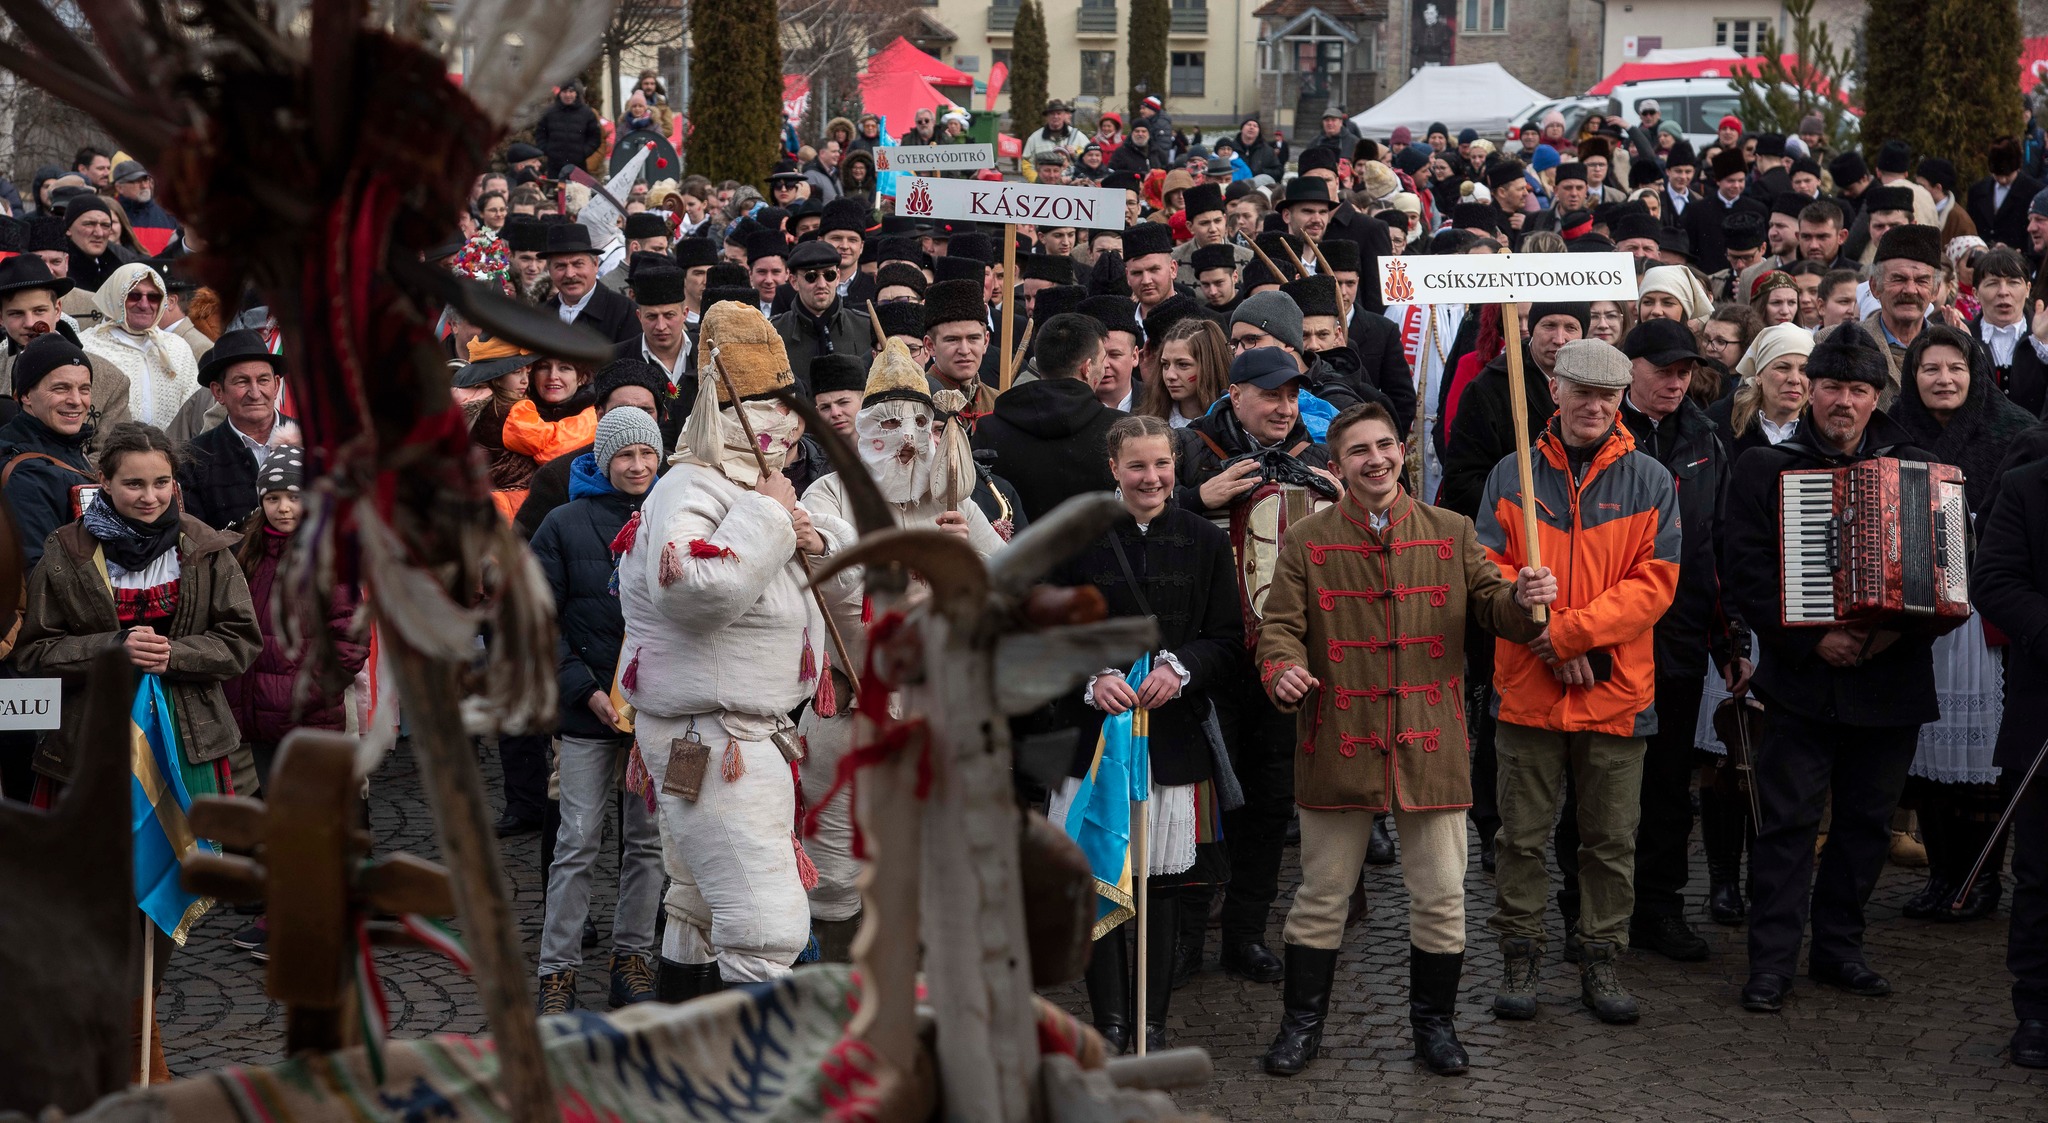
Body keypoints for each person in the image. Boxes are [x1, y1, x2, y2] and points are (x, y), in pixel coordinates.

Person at [1258, 401, 1553, 1077]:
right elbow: (1279, 627)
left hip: (1430, 741)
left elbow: (1494, 610)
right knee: (1323, 894)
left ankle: (1435, 1028)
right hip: (1339, 737)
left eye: (1385, 444)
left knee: (1444, 894)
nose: (1376, 458)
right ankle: (1301, 1026)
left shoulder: (1451, 531)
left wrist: (1525, 595)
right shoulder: (1306, 539)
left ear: (1404, 451)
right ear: (1337, 467)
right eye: (1359, 450)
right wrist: (1282, 669)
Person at [618, 303, 858, 994]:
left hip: (745, 732)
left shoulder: (755, 486)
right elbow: (694, 589)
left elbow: (852, 579)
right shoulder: (689, 486)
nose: (780, 422)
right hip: (713, 735)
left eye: (786, 405)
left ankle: (680, 1066)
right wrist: (769, 516)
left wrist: (812, 536)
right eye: (761, 406)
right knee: (763, 922)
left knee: (697, 907)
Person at [1722, 324, 1960, 1013]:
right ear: (1808, 391)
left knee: (1864, 825)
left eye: (1858, 389)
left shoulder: (1917, 462)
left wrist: (1885, 637)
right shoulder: (1767, 468)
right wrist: (1810, 639)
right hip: (1801, 681)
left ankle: (1838, 949)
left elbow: (1946, 579)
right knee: (1788, 824)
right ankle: (1770, 962)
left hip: (1891, 680)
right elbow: (1744, 569)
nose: (1843, 401)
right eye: (1831, 386)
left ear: (1876, 396)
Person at [1478, 338, 1679, 1026]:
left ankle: (1600, 955)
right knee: (1521, 837)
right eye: (1581, 391)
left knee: (1611, 840)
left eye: (1608, 394)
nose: (1594, 405)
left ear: (1622, 398)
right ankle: (1521, 952)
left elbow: (1653, 587)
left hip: (1615, 690)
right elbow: (1486, 573)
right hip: (1527, 689)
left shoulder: (1650, 479)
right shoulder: (1512, 474)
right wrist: (1542, 633)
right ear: (1555, 391)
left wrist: (1566, 634)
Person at [798, 341, 1003, 962]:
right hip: (849, 709)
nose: (906, 439)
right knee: (835, 869)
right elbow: (828, 580)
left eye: (919, 423)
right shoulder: (828, 497)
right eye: (887, 423)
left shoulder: (954, 498)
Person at [1171, 346, 1340, 988]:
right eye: (1271, 394)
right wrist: (1194, 497)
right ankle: (1186, 938)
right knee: (1200, 802)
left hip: (1283, 660)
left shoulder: (1318, 455)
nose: (1285, 407)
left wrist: (1341, 501)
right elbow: (1135, 524)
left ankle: (1245, 935)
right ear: (1236, 393)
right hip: (1205, 659)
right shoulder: (1189, 447)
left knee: (1269, 804)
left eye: (1292, 395)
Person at [1600, 319, 1739, 961]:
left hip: (1679, 637)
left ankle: (1659, 906)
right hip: (1607, 635)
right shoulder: (1599, 433)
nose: (1677, 381)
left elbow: (1718, 547)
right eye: (1664, 369)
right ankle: (1592, 911)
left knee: (1666, 786)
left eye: (1686, 371)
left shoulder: (1705, 437)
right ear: (1631, 368)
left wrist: (1727, 639)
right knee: (1600, 783)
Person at [1889, 325, 2035, 923]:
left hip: (1982, 616)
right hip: (1916, 611)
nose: (1943, 379)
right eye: (1930, 369)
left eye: (1955, 368)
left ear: (1975, 373)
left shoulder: (2016, 430)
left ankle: (1980, 880)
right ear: (1912, 376)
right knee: (1926, 749)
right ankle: (1942, 872)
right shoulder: (1893, 430)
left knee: (1980, 759)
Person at [531, 408, 668, 1014]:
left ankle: (632, 957)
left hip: (657, 710)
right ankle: (557, 968)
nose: (637, 467)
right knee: (578, 839)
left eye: (646, 454)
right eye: (624, 456)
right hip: (587, 710)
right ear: (603, 459)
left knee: (647, 842)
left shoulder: (676, 513)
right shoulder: (564, 523)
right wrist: (582, 689)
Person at [219, 447, 367, 961]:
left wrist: (316, 687)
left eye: (295, 497)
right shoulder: (250, 551)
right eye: (274, 497)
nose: (284, 508)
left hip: (306, 711)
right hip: (258, 710)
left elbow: (349, 636)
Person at [1972, 442, 2048, 1069]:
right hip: (2045, 707)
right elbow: (1994, 580)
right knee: (2044, 873)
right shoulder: (2026, 486)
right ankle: (2038, 1012)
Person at [971, 312, 1122, 522]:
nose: (1105, 368)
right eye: (1103, 360)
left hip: (1016, 552)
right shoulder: (1120, 430)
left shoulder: (989, 428)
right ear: (1087, 368)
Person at [513, 359, 669, 538]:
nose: (633, 418)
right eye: (622, 409)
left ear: (660, 416)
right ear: (600, 415)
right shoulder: (559, 477)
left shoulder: (675, 472)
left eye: (645, 411)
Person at [0, 255, 129, 440]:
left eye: (39, 311)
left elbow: (113, 455)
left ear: (58, 309)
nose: (30, 322)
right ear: (1, 318)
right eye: (16, 314)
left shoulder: (111, 379)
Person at [177, 330, 293, 532]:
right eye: (242, 381)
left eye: (263, 380)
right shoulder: (194, 459)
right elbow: (198, 540)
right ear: (218, 392)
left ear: (276, 385)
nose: (255, 393)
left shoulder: (313, 441)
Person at [78, 261, 199, 430]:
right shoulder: (86, 346)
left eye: (153, 297)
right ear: (115, 296)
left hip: (171, 453)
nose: (144, 304)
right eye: (134, 295)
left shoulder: (178, 348)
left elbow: (194, 411)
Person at [770, 241, 871, 397]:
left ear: (838, 277)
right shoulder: (773, 333)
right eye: (811, 277)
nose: (822, 284)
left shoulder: (866, 327)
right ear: (794, 281)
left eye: (829, 275)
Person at [1966, 247, 2048, 416]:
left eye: (2013, 282)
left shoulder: (2044, 336)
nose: (2003, 292)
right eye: (1992, 283)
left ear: (2027, 289)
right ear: (1976, 293)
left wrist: (2044, 344)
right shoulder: (1964, 334)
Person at [542, 224, 641, 345]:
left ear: (595, 264)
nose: (569, 274)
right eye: (560, 266)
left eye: (578, 264)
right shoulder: (540, 315)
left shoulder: (624, 312)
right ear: (549, 270)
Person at [1140, 317, 1230, 428]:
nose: (1170, 375)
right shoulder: (1147, 423)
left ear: (1209, 366)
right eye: (1165, 365)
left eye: (1183, 365)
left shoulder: (1233, 424)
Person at [1966, 138, 2042, 252]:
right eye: (1997, 175)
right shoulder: (1977, 191)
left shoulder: (2034, 191)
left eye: (2007, 174)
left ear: (2017, 168)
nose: (2002, 179)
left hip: (2018, 261)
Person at [532, 81, 603, 177]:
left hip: (578, 166)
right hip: (554, 167)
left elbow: (595, 138)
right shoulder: (549, 113)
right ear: (560, 93)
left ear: (576, 93)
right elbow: (540, 134)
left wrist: (583, 152)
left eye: (571, 91)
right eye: (564, 92)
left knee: (577, 191)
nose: (568, 95)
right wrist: (548, 150)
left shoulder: (587, 113)